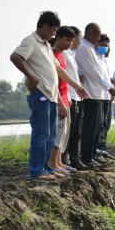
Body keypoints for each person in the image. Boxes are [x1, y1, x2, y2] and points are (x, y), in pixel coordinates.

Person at [10, 11, 89, 180]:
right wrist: (31, 77)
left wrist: (77, 86)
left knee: (51, 134)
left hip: (52, 96)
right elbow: (15, 57)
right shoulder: (31, 40)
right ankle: (37, 171)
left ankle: (46, 167)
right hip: (40, 95)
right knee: (41, 133)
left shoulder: (46, 44)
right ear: (44, 26)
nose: (54, 33)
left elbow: (58, 69)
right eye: (53, 30)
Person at [75, 23, 115, 168]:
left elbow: (101, 73)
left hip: (99, 94)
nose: (98, 38)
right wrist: (109, 87)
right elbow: (92, 72)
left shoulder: (91, 49)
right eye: (96, 36)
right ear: (88, 33)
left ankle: (93, 155)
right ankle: (87, 157)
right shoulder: (84, 48)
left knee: (97, 127)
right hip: (91, 94)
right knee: (90, 127)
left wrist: (108, 88)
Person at [47, 26, 77, 175]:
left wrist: (68, 97)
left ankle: (59, 162)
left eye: (71, 41)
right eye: (67, 40)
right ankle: (53, 163)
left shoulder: (62, 55)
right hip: (57, 99)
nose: (69, 44)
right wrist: (60, 101)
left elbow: (64, 81)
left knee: (65, 132)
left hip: (65, 98)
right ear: (58, 38)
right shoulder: (52, 54)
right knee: (58, 131)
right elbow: (54, 83)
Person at [62, 26, 85, 170]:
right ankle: (66, 160)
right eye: (79, 39)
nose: (79, 42)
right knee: (68, 131)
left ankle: (71, 159)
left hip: (76, 96)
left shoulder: (71, 54)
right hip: (69, 96)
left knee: (76, 130)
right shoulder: (64, 53)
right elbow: (62, 75)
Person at [96, 34, 114, 155]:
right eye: (102, 45)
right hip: (98, 96)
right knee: (100, 124)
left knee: (105, 124)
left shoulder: (104, 60)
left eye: (106, 46)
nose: (105, 48)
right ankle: (100, 148)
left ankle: (103, 148)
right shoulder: (95, 58)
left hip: (106, 96)